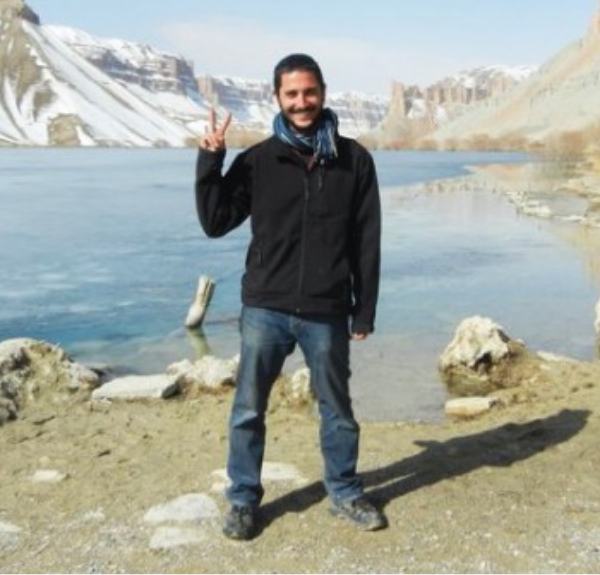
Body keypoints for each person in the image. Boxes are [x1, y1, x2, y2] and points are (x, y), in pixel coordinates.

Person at [194, 53, 385, 540]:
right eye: (291, 94)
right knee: (248, 409)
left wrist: (364, 310)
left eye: (309, 92)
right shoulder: (258, 160)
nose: (302, 102)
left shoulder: (354, 160)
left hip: (326, 310)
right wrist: (210, 160)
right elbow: (215, 223)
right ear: (277, 98)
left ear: (323, 92)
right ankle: (241, 500)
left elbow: (367, 241)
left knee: (337, 409)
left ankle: (343, 492)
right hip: (265, 308)